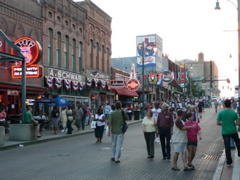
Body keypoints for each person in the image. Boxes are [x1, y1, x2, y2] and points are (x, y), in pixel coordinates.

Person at [217, 99, 240, 166]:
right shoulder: (234, 113)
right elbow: (238, 123)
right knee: (237, 142)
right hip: (233, 130)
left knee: (227, 146)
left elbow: (218, 123)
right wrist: (233, 124)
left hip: (225, 132)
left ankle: (229, 162)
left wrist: (223, 124)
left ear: (224, 104)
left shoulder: (221, 113)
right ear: (231, 104)